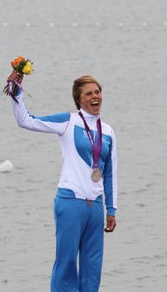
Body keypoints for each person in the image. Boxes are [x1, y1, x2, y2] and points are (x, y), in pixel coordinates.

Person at [6, 71, 118, 292]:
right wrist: (16, 91)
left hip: (95, 207)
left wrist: (111, 209)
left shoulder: (108, 131)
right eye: (89, 93)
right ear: (79, 99)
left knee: (92, 268)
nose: (95, 96)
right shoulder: (68, 121)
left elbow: (110, 173)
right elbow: (26, 121)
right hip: (70, 203)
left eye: (97, 92)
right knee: (66, 264)